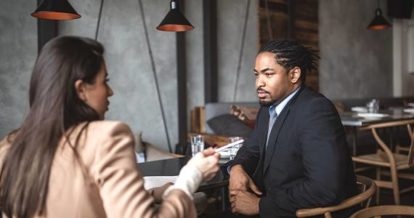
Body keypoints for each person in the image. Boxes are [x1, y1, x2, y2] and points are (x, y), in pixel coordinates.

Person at [0, 36, 220, 218]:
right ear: (81, 90)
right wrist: (190, 177)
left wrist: (152, 194)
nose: (110, 91)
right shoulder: (106, 138)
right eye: (104, 80)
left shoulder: (9, 148)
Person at [228, 40, 358, 217]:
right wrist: (237, 168)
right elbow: (252, 148)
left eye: (268, 74)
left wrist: (260, 205)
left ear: (294, 74)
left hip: (307, 213)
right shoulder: (267, 109)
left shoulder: (315, 110)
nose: (259, 83)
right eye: (257, 75)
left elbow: (325, 188)